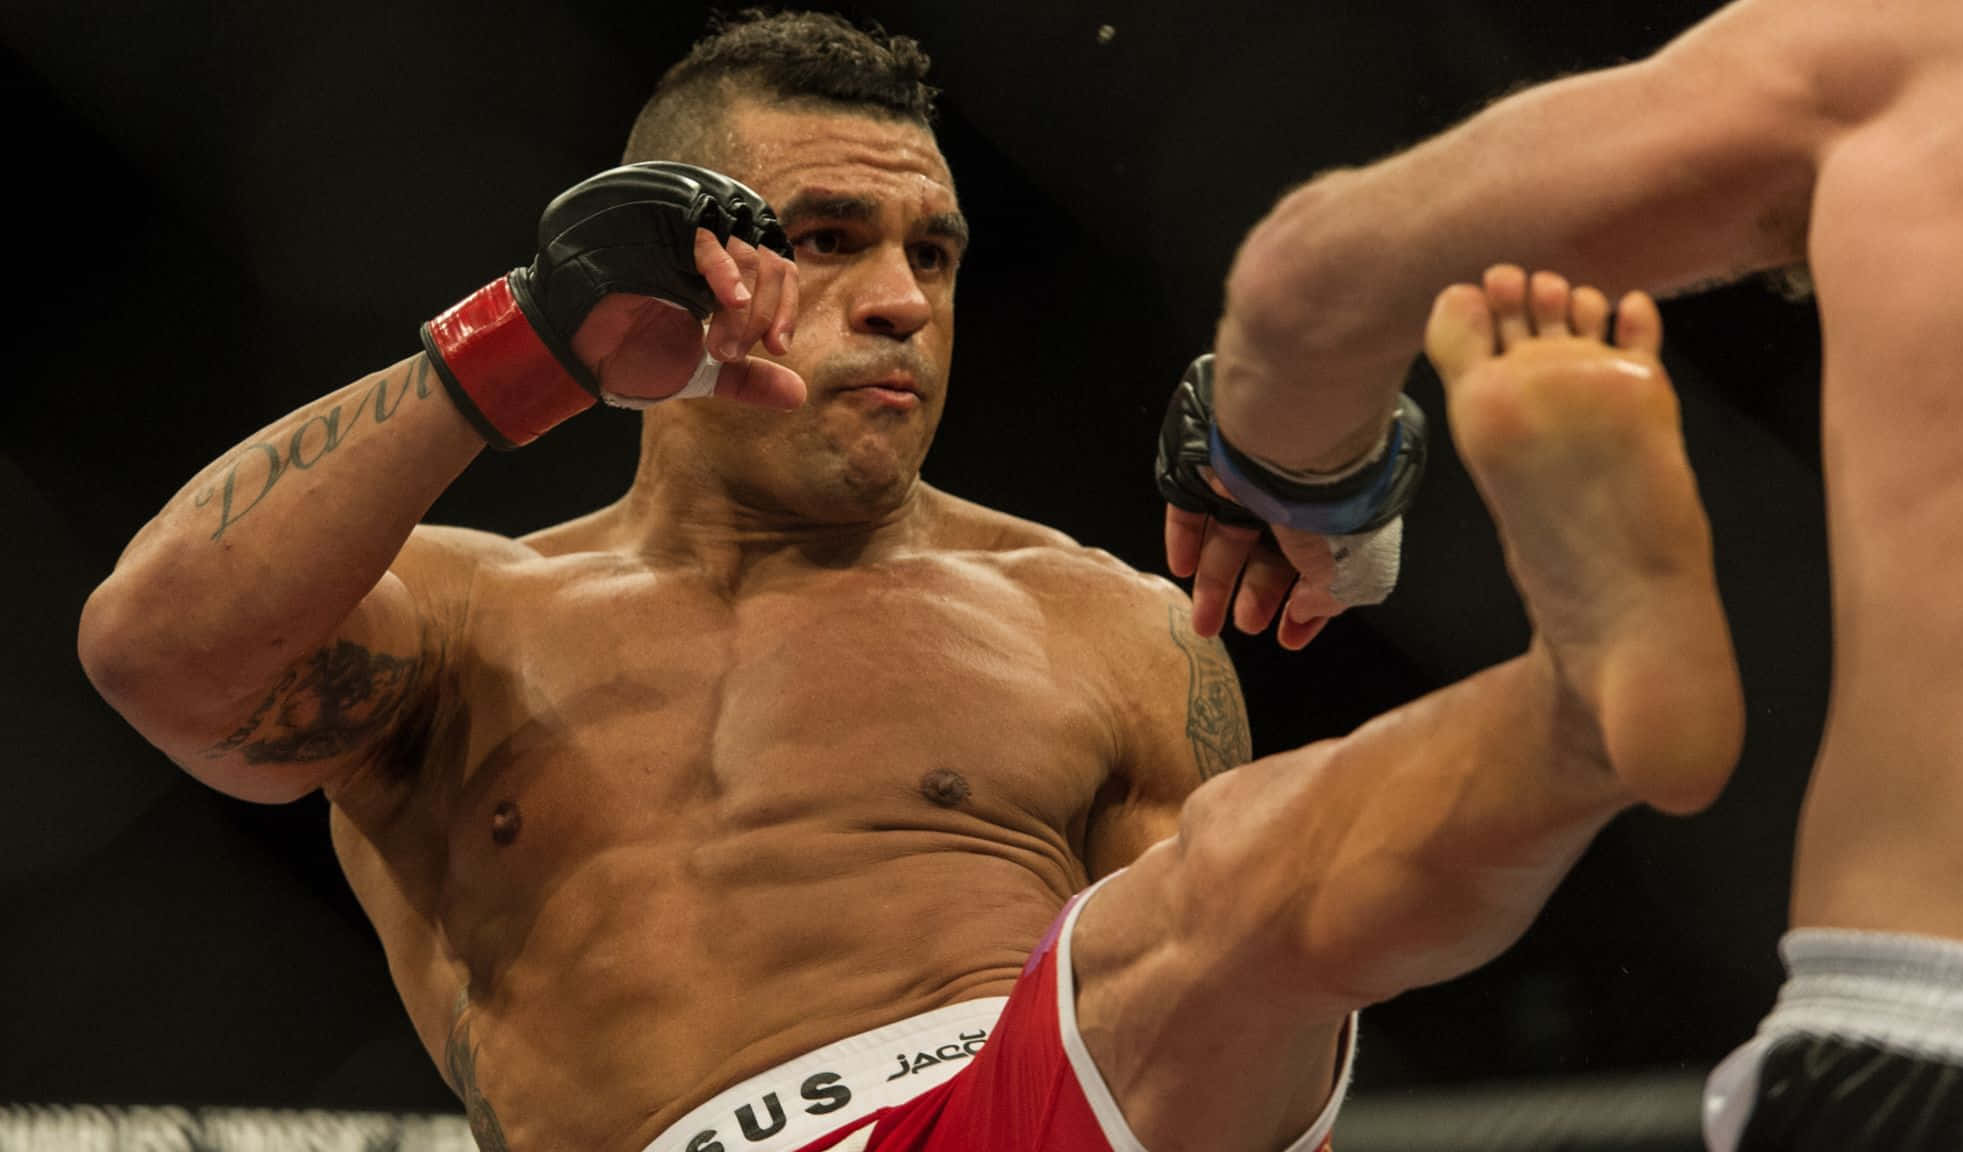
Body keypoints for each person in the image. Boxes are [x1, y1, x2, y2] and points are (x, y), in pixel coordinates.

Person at [77, 10, 1740, 1152]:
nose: (900, 302)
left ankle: (1585, 700)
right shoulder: (464, 617)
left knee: (1238, 882)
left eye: (930, 253)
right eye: (822, 239)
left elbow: (1238, 1050)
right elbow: (160, 655)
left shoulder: (1090, 617)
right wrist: (524, 339)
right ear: (669, 265)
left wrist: (1326, 506)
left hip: (1036, 1104)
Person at [1163, 0, 1963, 1146]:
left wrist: (1302, 486)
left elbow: (1310, 285)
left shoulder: (1956, 42)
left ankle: (1580, 696)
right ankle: (1586, 691)